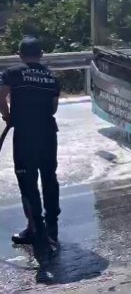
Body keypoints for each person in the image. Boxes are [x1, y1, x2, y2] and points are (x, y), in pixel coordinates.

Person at [0, 36, 61, 262]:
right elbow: (53, 108)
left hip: (26, 134)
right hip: (47, 133)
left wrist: (7, 116)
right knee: (49, 176)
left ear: (19, 54)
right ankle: (52, 225)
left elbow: (1, 95)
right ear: (42, 55)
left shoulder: (12, 72)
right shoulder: (52, 77)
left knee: (27, 180)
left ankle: (35, 230)